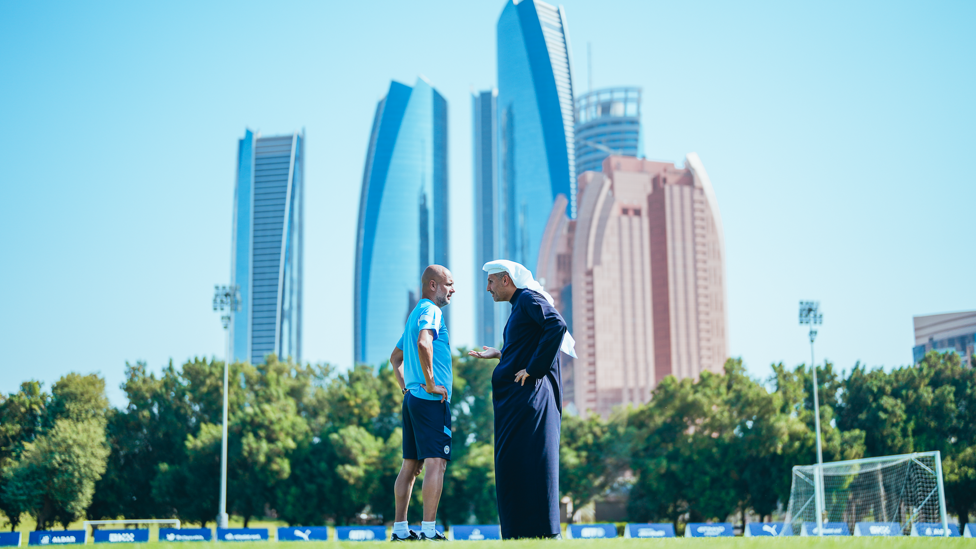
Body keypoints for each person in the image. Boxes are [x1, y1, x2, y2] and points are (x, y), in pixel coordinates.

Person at [468, 260, 576, 539]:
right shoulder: (520, 306)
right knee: (516, 466)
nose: (488, 288)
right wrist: (501, 354)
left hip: (531, 402)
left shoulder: (529, 298)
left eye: (491, 281)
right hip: (518, 404)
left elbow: (556, 325)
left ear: (506, 280)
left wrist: (535, 369)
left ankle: (545, 533)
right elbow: (528, 345)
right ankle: (518, 534)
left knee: (533, 465)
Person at [389, 265, 455, 542]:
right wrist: (428, 384)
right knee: (435, 463)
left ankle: (400, 530)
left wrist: (407, 388)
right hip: (429, 400)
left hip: (413, 400)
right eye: (448, 284)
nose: (453, 289)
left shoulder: (413, 315)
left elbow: (395, 359)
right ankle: (428, 531)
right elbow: (423, 343)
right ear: (432, 285)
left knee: (410, 466)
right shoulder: (431, 311)